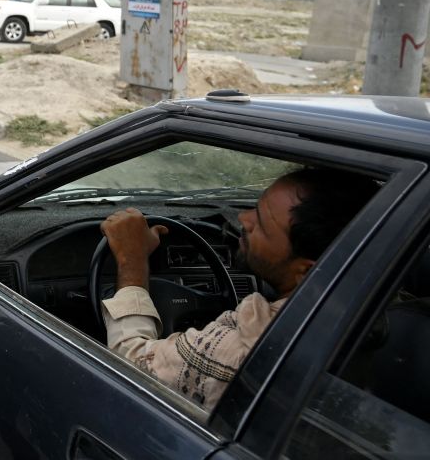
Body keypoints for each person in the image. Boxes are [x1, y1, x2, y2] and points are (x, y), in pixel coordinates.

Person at [99, 167, 379, 411]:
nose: (244, 219)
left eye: (262, 225)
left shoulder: (243, 353)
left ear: (306, 271)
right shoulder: (381, 308)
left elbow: (131, 364)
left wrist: (132, 260)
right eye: (255, 206)